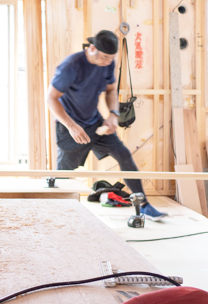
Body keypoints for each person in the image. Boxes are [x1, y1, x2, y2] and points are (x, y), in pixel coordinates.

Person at [47, 30, 167, 221]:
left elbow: (111, 90)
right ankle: (54, 214)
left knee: (124, 155)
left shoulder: (107, 63)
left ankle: (143, 205)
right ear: (92, 48)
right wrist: (71, 125)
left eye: (111, 58)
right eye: (104, 57)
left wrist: (113, 114)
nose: (107, 62)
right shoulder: (72, 65)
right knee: (63, 172)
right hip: (70, 126)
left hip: (95, 123)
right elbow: (51, 98)